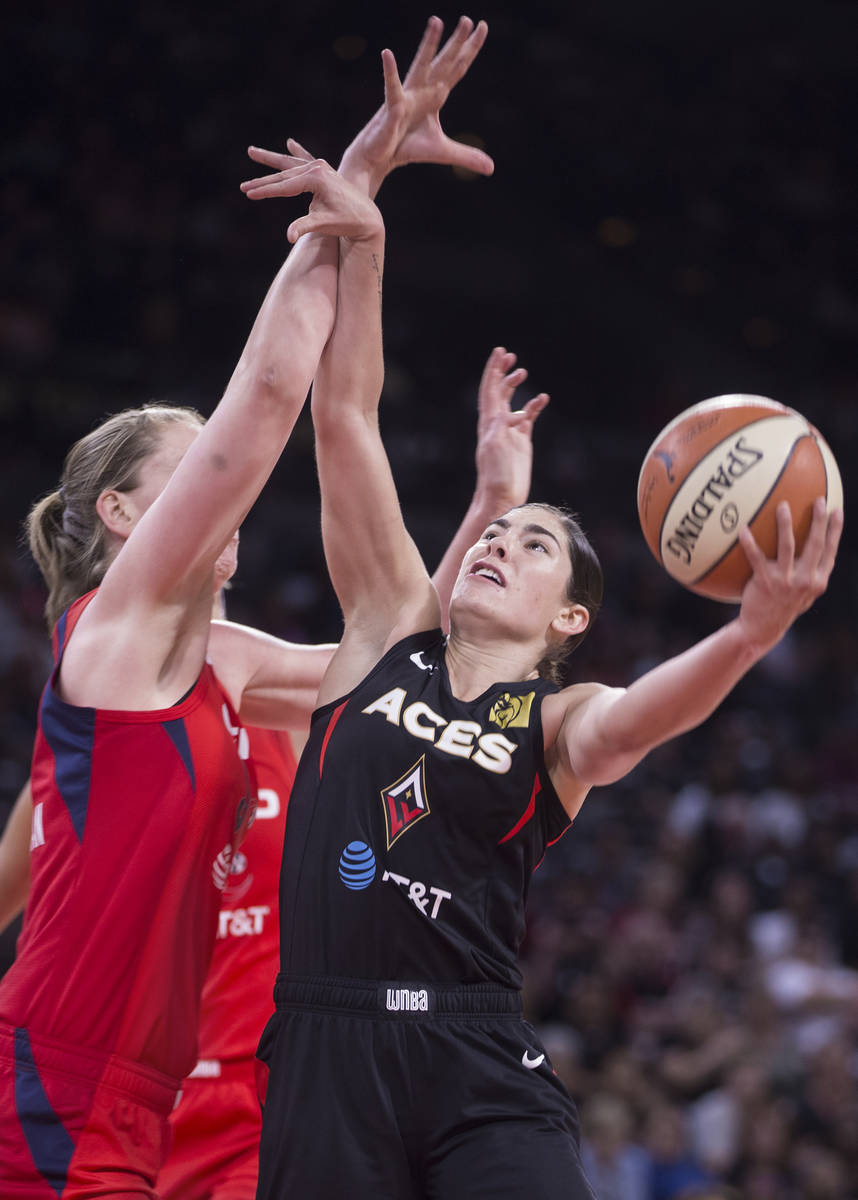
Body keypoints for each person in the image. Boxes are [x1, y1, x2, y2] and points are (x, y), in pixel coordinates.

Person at [242, 69, 843, 1200]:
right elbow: (343, 415)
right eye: (494, 531)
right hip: (326, 1047)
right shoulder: (382, 636)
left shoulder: (558, 719)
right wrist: (365, 239)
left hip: (475, 1059)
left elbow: (644, 717)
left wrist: (752, 635)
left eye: (532, 547)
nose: (496, 545)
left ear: (570, 617)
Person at [0, 19, 504, 1198]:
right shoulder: (111, 643)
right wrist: (361, 168)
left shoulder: (224, 665)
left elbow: (391, 658)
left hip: (153, 1101)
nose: (218, 484)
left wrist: (487, 527)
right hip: (53, 1094)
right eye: (190, 468)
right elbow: (272, 391)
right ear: (125, 519)